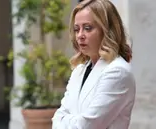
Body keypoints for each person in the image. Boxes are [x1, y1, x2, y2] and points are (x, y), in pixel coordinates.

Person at [52, 0, 136, 129]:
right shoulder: (79, 70)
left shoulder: (117, 71)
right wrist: (68, 120)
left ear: (107, 30)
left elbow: (86, 125)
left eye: (87, 28)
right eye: (76, 29)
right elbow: (57, 117)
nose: (80, 35)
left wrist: (66, 120)